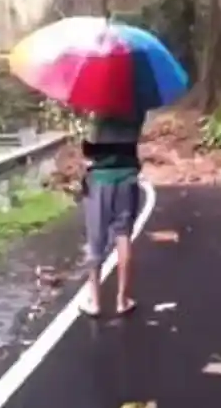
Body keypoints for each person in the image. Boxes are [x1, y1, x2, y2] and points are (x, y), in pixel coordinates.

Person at [79, 112, 145, 317]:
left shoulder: (101, 110)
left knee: (96, 239)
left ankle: (95, 302)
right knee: (123, 235)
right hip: (128, 180)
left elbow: (91, 150)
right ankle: (122, 300)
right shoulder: (137, 110)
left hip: (100, 181)